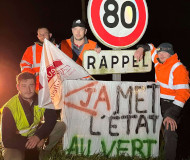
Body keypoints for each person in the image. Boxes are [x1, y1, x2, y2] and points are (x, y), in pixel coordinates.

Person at [134, 43, 190, 160]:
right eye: (160, 52)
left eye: (165, 52)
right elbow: (150, 46)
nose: (161, 54)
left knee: (170, 130)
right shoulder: (159, 61)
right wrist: (140, 49)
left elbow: (183, 93)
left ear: (171, 53)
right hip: (158, 100)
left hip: (172, 104)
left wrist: (171, 114)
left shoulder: (178, 68)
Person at [1, 72, 66, 160]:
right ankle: (33, 150)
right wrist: (35, 142)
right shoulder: (9, 108)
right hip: (17, 142)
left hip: (35, 134)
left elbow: (52, 119)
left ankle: (44, 151)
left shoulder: (43, 99)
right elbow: (7, 140)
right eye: (24, 86)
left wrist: (39, 136)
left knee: (60, 126)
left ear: (35, 86)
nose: (28, 90)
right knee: (14, 158)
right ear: (18, 87)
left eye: (31, 85)